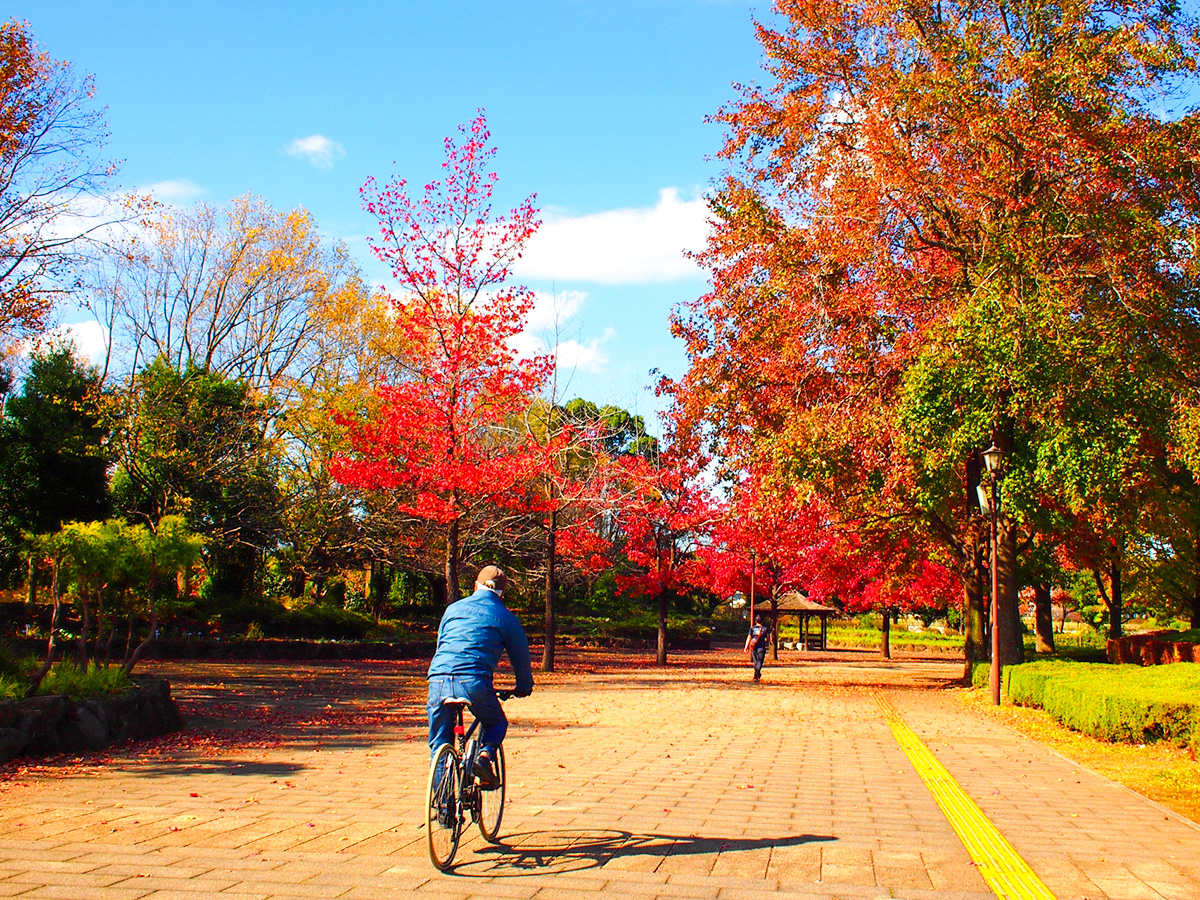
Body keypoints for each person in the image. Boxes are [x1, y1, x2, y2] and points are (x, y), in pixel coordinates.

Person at [427, 565, 533, 787]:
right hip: (473, 682)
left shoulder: (452, 609)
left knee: (439, 744)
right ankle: (484, 757)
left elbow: (441, 645)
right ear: (502, 594)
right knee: (496, 723)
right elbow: (520, 658)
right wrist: (523, 687)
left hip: (438, 678)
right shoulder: (507, 618)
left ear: (475, 586)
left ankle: (442, 809)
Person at [744, 612, 771, 682]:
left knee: (756, 662)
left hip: (753, 647)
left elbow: (749, 637)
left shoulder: (752, 629)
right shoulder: (764, 629)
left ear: (755, 621)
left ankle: (756, 675)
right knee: (759, 662)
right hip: (761, 647)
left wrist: (746, 647)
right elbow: (768, 638)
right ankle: (757, 676)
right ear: (762, 621)